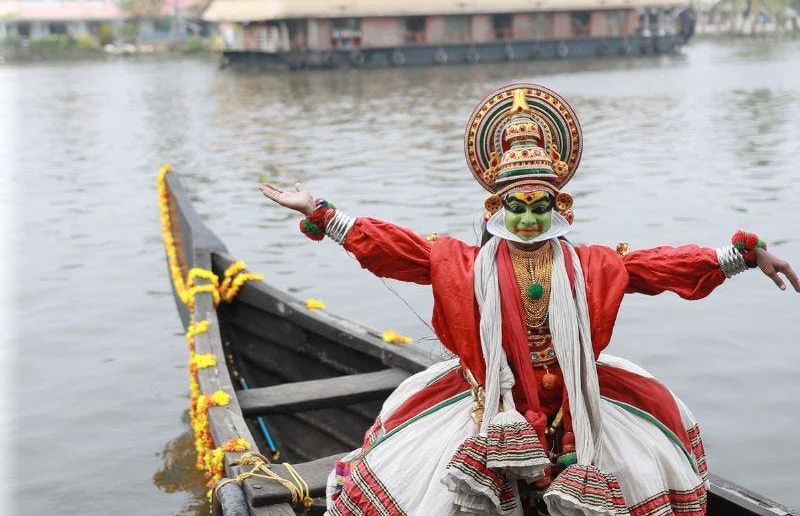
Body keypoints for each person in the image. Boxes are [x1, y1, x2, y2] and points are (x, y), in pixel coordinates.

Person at [260, 83, 798, 516]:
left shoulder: (590, 265)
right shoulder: (464, 264)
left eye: (540, 204)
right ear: (497, 204)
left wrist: (743, 257)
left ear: (558, 203)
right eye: (516, 205)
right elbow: (395, 247)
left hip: (577, 406)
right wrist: (323, 213)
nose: (527, 217)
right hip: (492, 407)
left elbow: (658, 267)